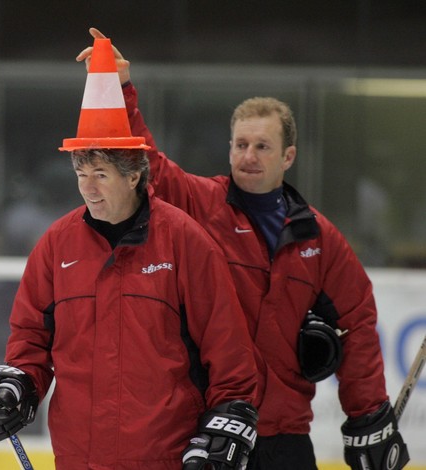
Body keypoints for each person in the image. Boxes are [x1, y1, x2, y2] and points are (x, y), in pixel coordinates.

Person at [76, 28, 410, 470]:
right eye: (240, 144)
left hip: (286, 431)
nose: (248, 155)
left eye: (262, 146)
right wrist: (121, 90)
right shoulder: (201, 204)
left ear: (287, 156)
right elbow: (150, 165)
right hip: (215, 429)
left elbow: (359, 322)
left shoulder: (318, 237)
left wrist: (367, 414)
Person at [0, 39, 260, 469]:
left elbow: (229, 354)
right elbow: (31, 343)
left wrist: (229, 420)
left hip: (164, 458)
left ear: (134, 175)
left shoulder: (185, 241)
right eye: (81, 173)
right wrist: (17, 387)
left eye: (101, 174)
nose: (88, 187)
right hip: (78, 459)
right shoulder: (56, 245)